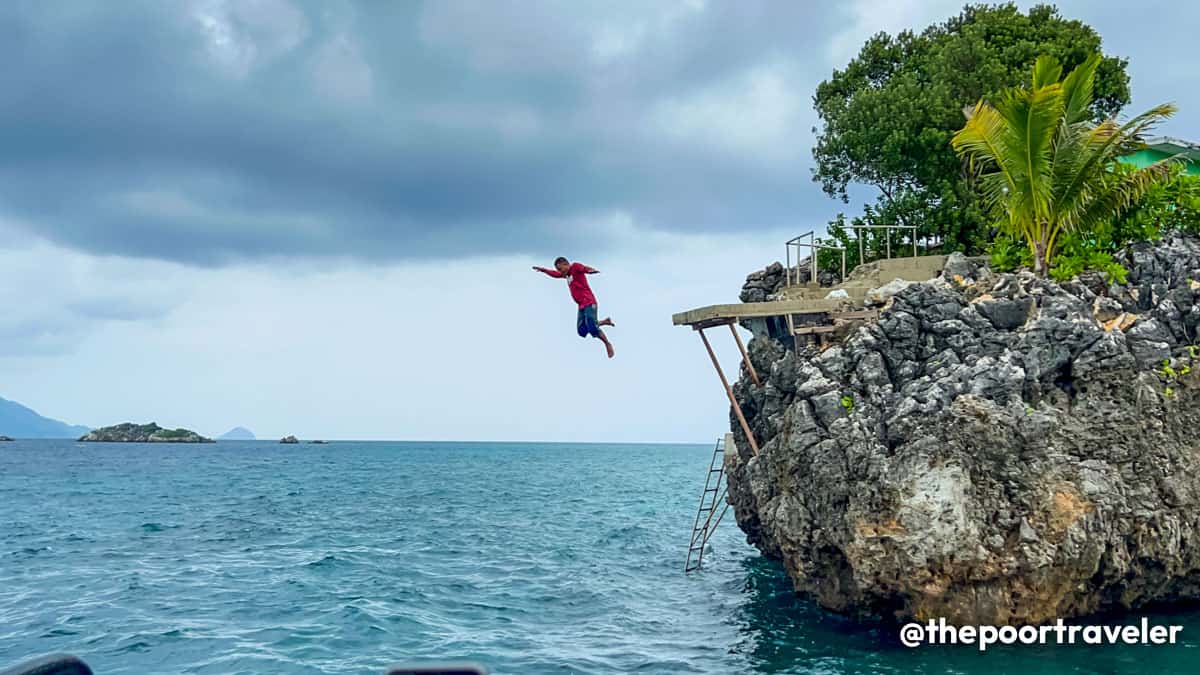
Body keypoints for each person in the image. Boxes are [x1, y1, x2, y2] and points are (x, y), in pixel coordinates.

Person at [533, 257, 615, 358]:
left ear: (566, 264)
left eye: (560, 269)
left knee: (592, 328)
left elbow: (584, 268)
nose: (560, 272)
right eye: (558, 270)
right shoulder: (567, 275)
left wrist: (590, 270)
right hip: (581, 306)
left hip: (589, 302)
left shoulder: (575, 267)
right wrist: (543, 270)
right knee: (581, 331)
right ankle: (604, 321)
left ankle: (607, 343)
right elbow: (555, 274)